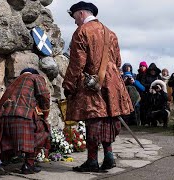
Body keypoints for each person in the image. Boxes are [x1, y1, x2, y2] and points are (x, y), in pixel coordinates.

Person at [63, 1, 133, 172]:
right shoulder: (111, 33)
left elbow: (77, 63)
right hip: (113, 82)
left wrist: (69, 84)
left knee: (93, 119)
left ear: (80, 13)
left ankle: (92, 161)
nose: (74, 21)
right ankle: (109, 157)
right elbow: (118, 61)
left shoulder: (82, 31)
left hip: (92, 83)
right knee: (108, 118)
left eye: (74, 17)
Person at [0, 68, 51, 175]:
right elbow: (44, 96)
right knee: (44, 130)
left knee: (6, 145)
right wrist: (45, 113)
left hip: (3, 118)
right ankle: (28, 165)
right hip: (22, 118)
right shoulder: (35, 77)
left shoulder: (14, 84)